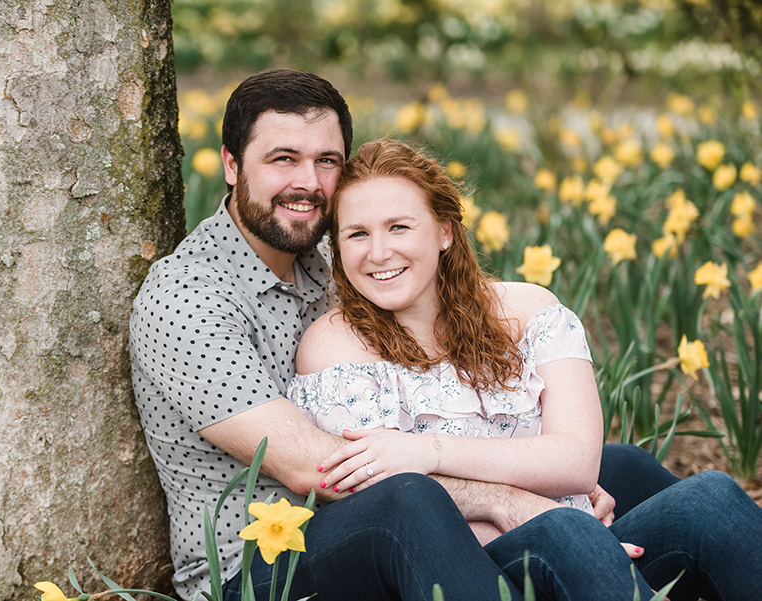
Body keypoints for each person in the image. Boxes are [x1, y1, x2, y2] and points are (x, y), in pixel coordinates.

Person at [131, 69, 686, 601]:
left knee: (623, 468)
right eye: (283, 159)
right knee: (412, 501)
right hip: (263, 567)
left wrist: (554, 482)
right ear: (232, 164)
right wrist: (511, 500)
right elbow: (319, 469)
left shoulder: (333, 257)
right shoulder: (186, 299)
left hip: (386, 510)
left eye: (326, 161)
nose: (308, 182)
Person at [287, 138, 762, 601]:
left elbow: (577, 462)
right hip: (467, 563)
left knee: (711, 499)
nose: (378, 252)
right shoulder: (335, 347)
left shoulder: (530, 312)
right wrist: (554, 517)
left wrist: (427, 450)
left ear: (445, 231)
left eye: (399, 227)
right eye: (357, 234)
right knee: (565, 531)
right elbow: (390, 503)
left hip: (583, 535)